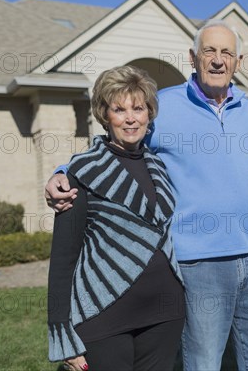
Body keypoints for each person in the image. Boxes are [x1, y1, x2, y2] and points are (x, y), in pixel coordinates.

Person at [45, 19, 248, 370]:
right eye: (209, 50)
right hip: (198, 264)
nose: (218, 60)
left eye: (227, 52)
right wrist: (63, 172)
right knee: (204, 363)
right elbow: (116, 145)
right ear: (193, 58)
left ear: (238, 62)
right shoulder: (163, 107)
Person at [47, 65, 185, 371]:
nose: (130, 118)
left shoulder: (159, 167)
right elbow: (63, 258)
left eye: (138, 108)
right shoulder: (83, 170)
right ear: (104, 115)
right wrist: (61, 332)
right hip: (104, 315)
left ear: (149, 114)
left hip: (164, 312)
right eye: (119, 109)